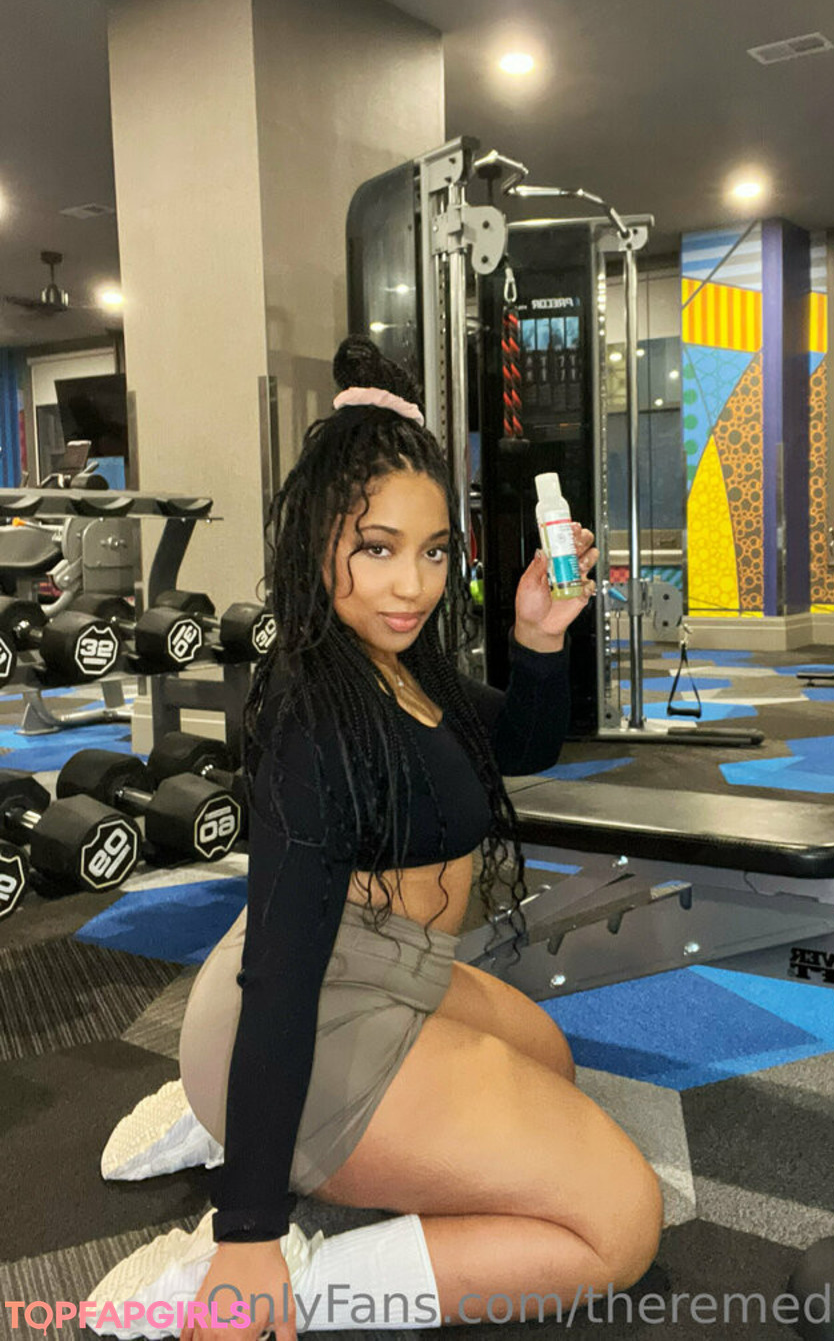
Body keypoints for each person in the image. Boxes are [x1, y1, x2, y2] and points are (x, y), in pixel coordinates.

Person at [172, 347, 664, 1340]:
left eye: (435, 552)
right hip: (304, 1000)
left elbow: (522, 745)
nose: (412, 584)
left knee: (550, 1059)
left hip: (392, 966)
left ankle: (220, 1116)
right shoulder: (314, 710)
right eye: (378, 548)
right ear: (318, 543)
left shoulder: (402, 666)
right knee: (621, 1222)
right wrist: (249, 1233)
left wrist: (538, 636)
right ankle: (294, 1268)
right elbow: (283, 975)